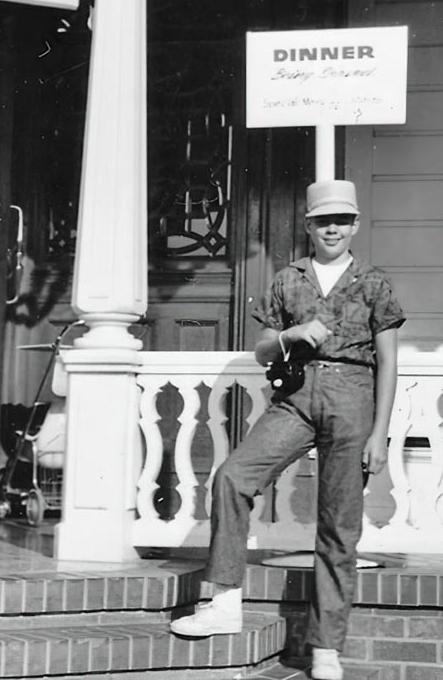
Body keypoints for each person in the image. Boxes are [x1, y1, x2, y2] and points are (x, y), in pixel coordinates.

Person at [171, 179, 404, 680]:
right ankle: (226, 602)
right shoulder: (288, 279)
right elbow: (261, 349)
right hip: (296, 398)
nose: (333, 229)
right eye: (323, 221)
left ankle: (326, 647)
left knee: (338, 526)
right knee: (233, 477)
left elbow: (388, 361)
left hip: (352, 397)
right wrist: (291, 335)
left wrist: (379, 433)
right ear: (309, 226)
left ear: (356, 224)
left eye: (342, 220)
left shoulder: (374, 283)